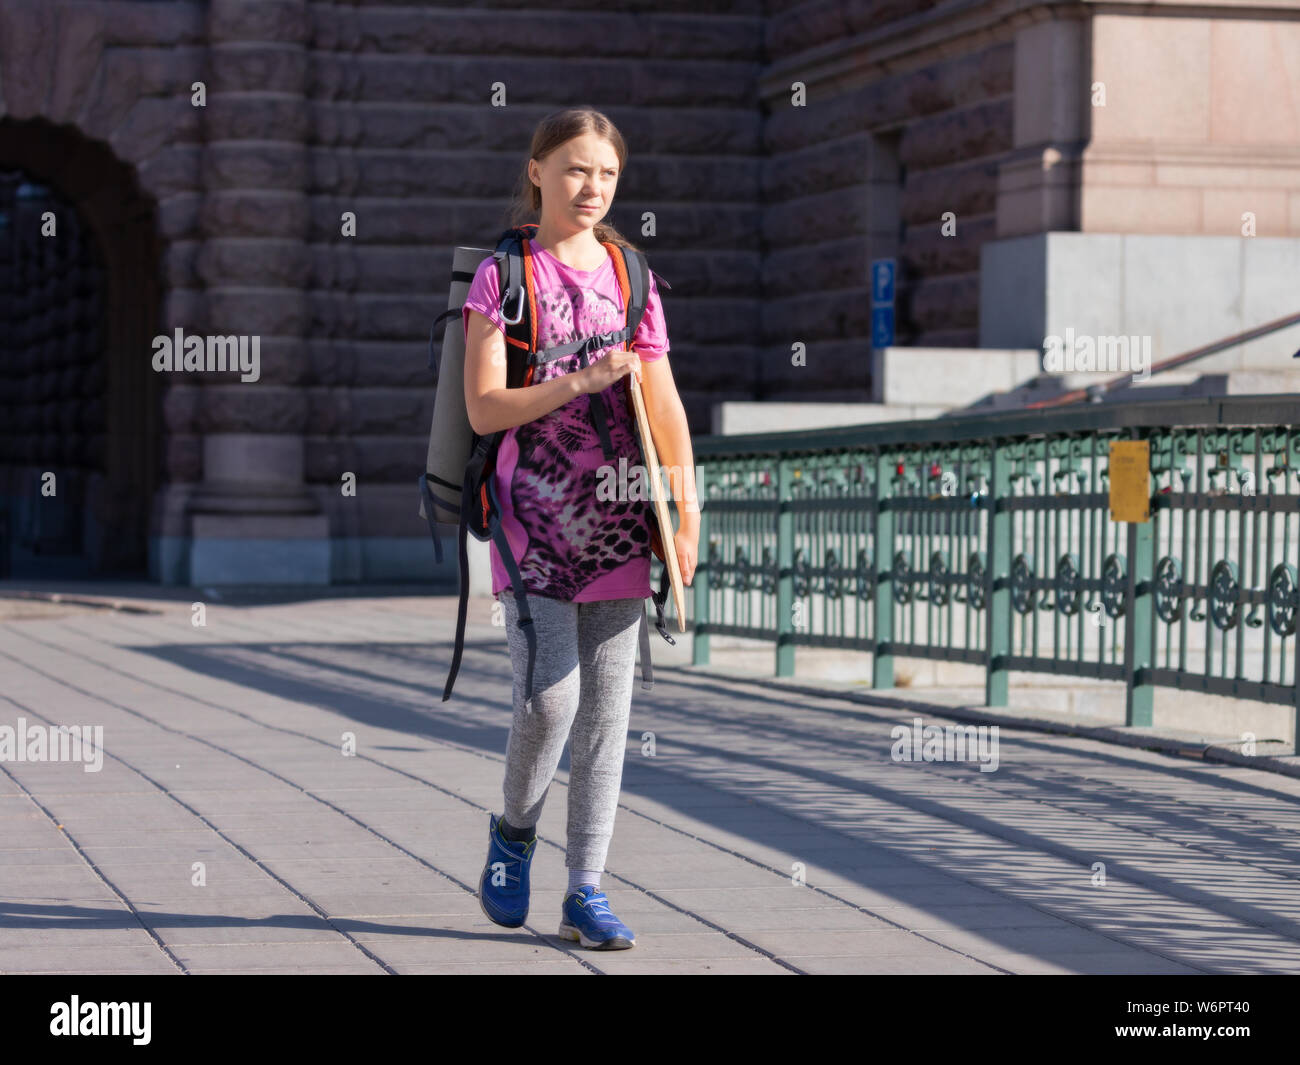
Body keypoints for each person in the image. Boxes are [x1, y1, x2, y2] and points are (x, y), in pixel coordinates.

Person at [460, 107, 698, 950]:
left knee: (605, 713)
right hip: (532, 518)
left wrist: (686, 508)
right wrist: (579, 380)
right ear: (536, 171)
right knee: (550, 700)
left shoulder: (631, 274)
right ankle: (513, 832)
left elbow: (663, 405)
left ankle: (585, 888)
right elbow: (484, 406)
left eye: (605, 173)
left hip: (624, 516)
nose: (591, 187)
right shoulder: (504, 275)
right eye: (573, 170)